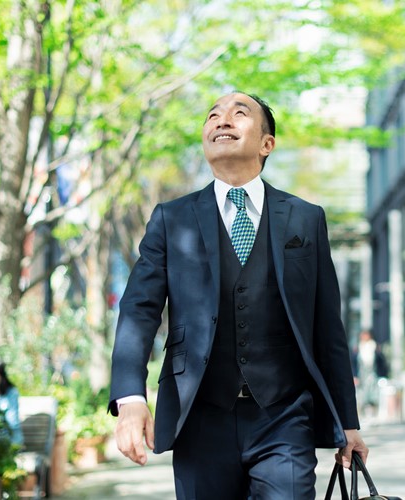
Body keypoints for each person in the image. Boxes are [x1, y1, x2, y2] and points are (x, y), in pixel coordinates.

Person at [108, 91, 367, 499]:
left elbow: (327, 325)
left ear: (267, 144)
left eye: (239, 114)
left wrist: (347, 423)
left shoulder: (305, 218)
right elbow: (139, 310)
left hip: (284, 416)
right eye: (213, 115)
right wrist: (129, 398)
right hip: (200, 417)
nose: (221, 120)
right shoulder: (171, 219)